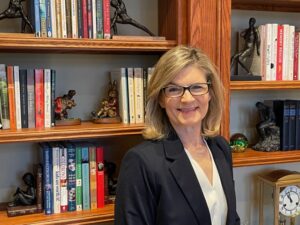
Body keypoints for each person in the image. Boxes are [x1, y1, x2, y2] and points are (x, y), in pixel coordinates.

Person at [115, 45, 240, 225]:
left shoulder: (220, 148)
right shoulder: (141, 162)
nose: (187, 99)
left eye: (197, 87)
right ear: (161, 98)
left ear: (210, 93)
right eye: (174, 89)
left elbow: (232, 218)